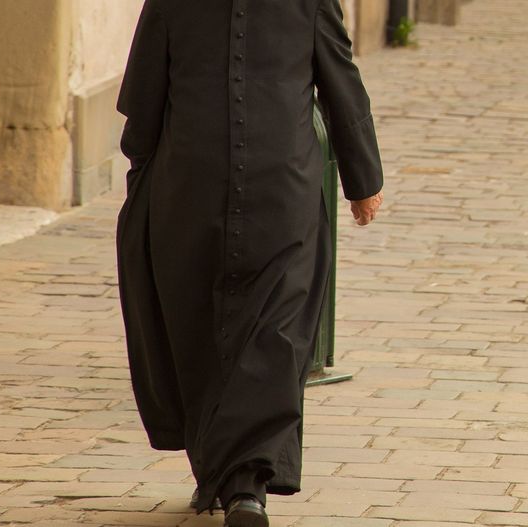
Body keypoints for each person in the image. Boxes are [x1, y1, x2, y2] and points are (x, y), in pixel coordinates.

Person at [114, 0, 384, 525]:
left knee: (214, 333)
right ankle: (240, 481)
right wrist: (363, 179)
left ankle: (241, 481)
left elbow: (142, 103)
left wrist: (142, 179)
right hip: (277, 190)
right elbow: (341, 83)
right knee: (269, 336)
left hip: (193, 188)